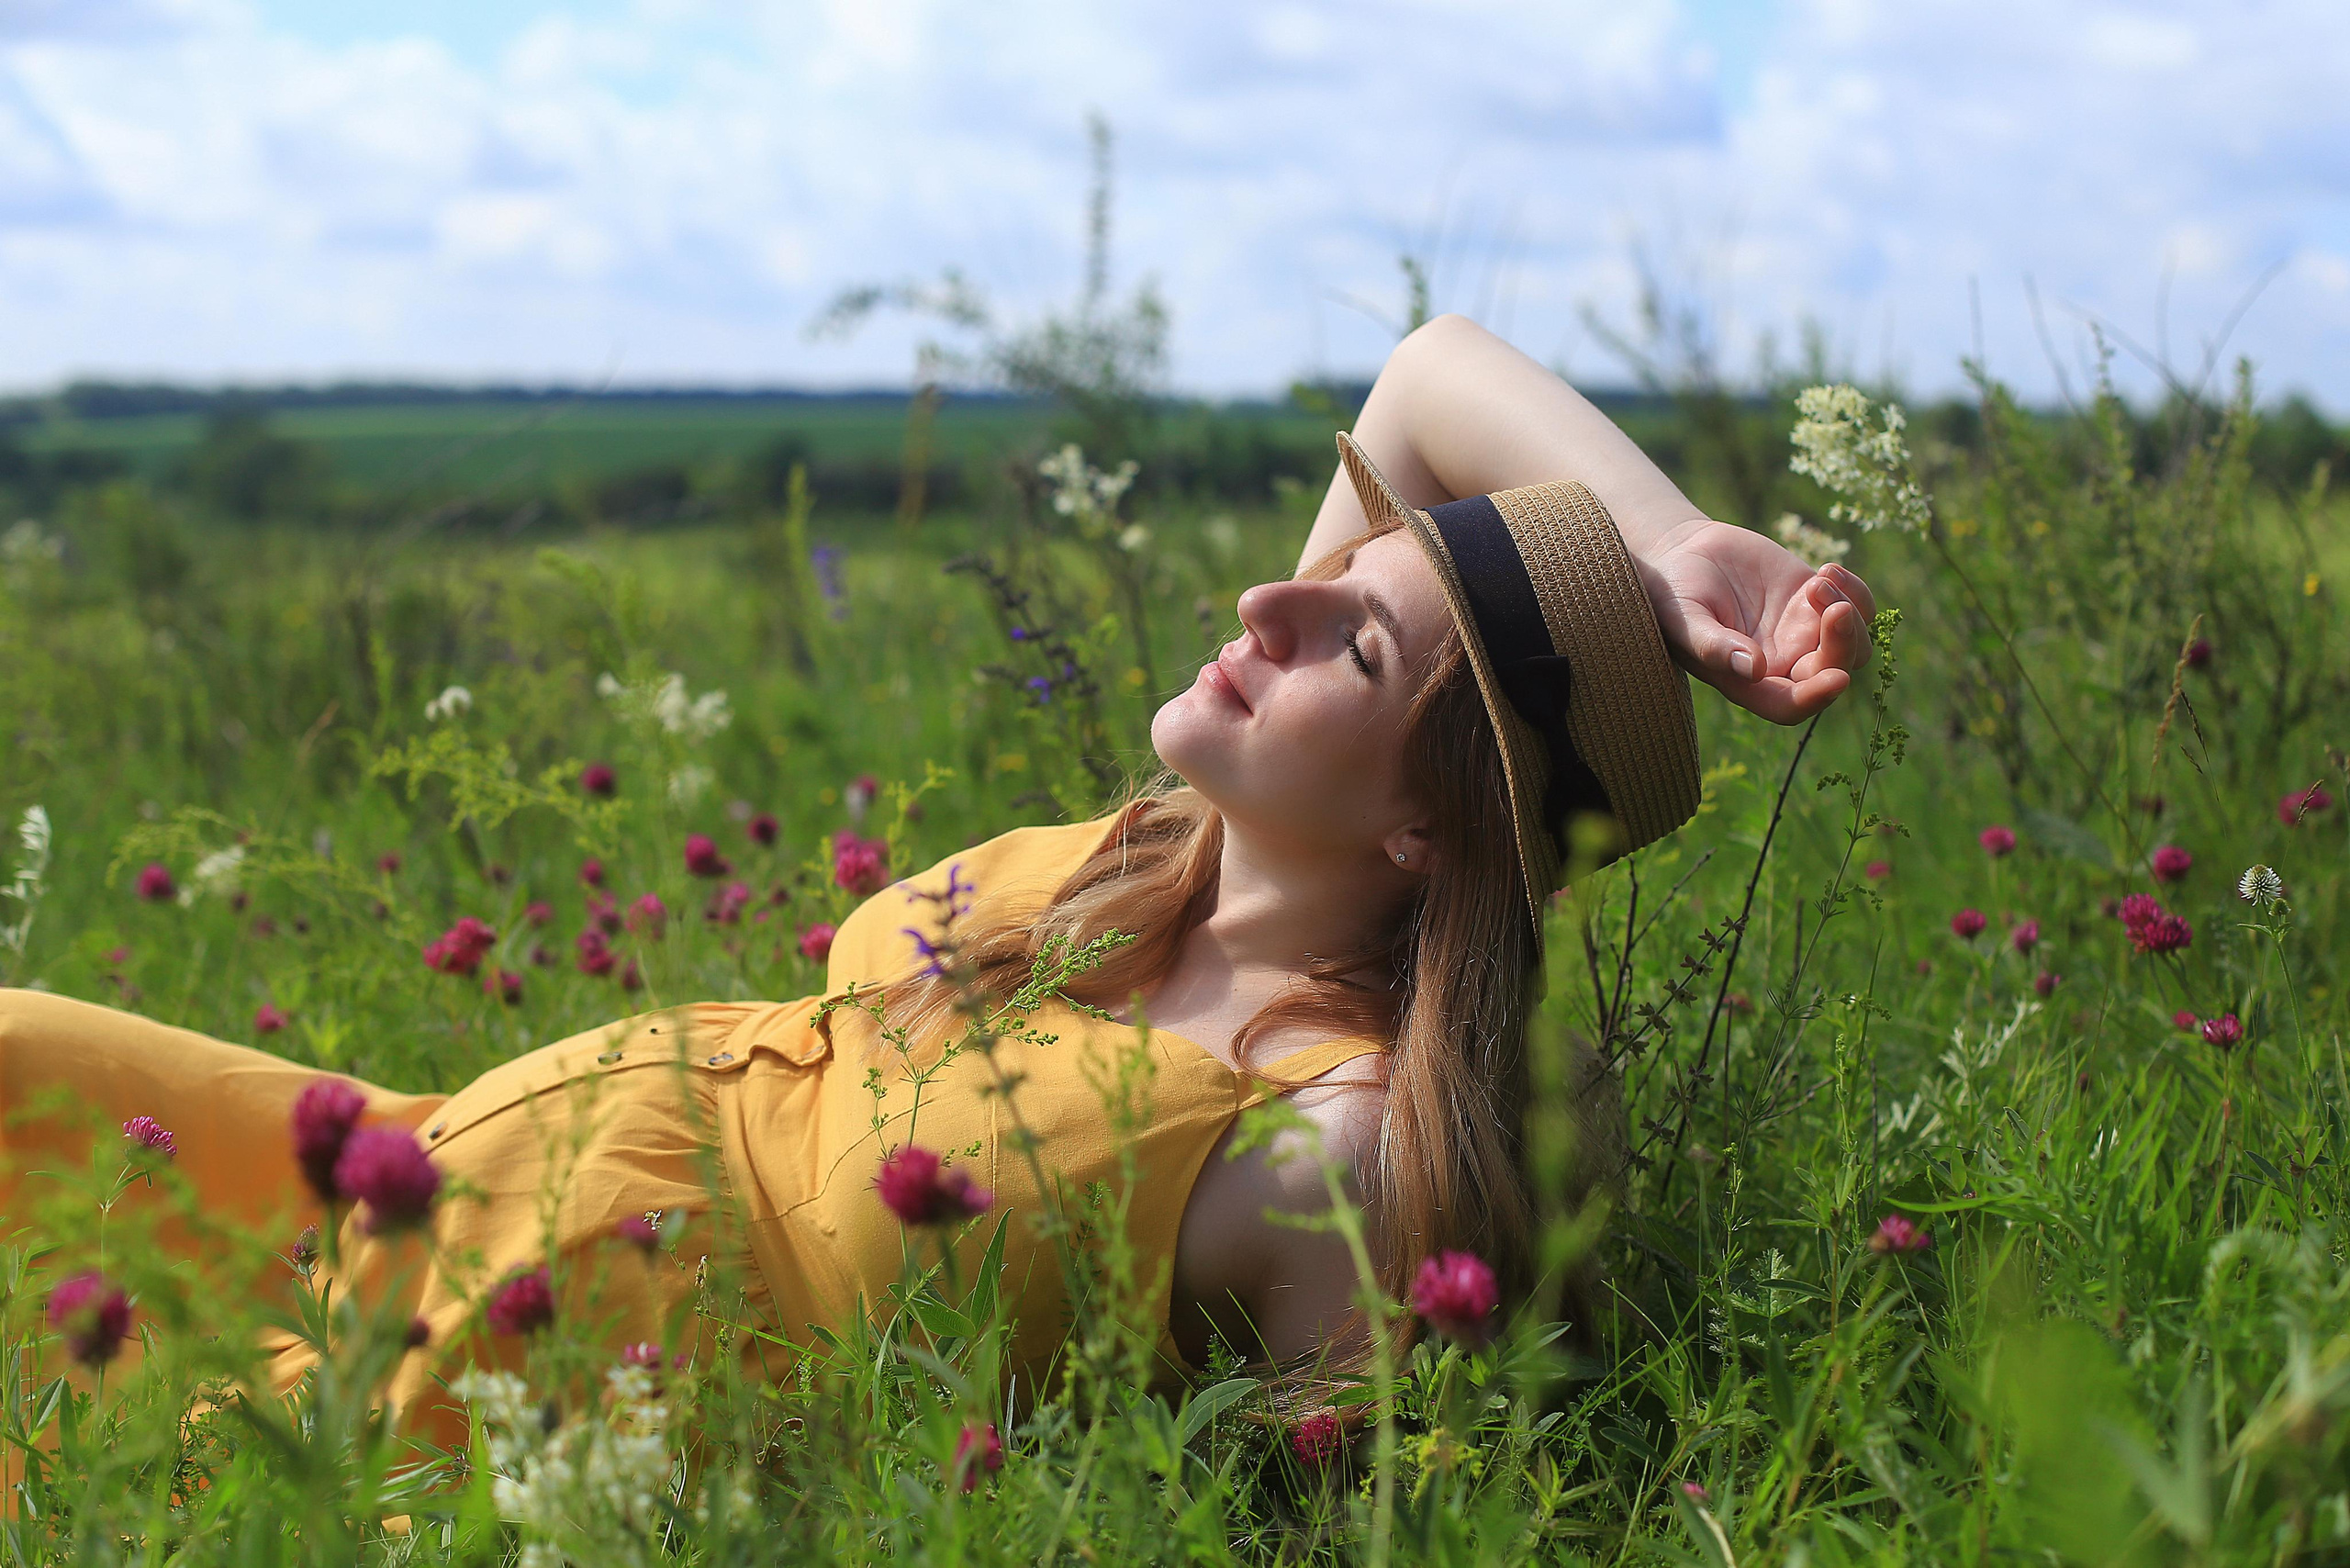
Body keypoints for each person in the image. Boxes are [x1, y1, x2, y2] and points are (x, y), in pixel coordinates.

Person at [0, 315, 1874, 1439]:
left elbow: (1375, 1490)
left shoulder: (1330, 1133)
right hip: (384, 1154)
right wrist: (1671, 538)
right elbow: (1423, 379)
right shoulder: (1157, 858)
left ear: (1421, 833)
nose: (1265, 602)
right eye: (1331, 578)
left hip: (476, 1387)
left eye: (1351, 646)